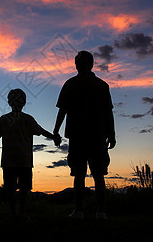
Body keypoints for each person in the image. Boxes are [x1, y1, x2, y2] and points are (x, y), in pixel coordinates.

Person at [53, 50, 116, 220]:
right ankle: (100, 212)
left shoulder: (70, 84)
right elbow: (108, 113)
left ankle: (79, 211)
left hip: (77, 137)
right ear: (92, 64)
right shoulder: (102, 85)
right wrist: (112, 134)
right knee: (99, 176)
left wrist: (56, 130)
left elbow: (62, 111)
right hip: (97, 137)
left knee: (79, 175)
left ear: (77, 65)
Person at [0, 88, 59, 221]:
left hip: (8, 161)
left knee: (10, 190)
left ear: (9, 102)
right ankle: (22, 214)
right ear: (24, 103)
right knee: (23, 189)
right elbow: (42, 131)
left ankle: (13, 214)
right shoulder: (28, 119)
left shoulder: (4, 119)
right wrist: (54, 137)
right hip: (25, 161)